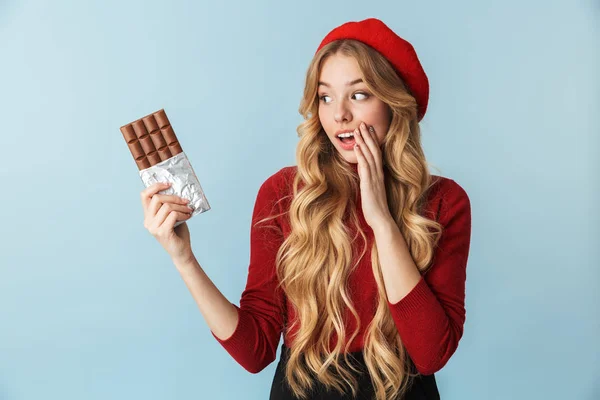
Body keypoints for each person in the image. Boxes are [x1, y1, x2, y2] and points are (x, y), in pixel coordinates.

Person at [140, 18, 471, 400]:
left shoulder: (444, 202)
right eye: (325, 96)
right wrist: (183, 258)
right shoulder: (283, 194)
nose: (339, 115)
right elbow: (254, 351)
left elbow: (431, 354)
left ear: (395, 103)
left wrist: (381, 220)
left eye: (359, 95)